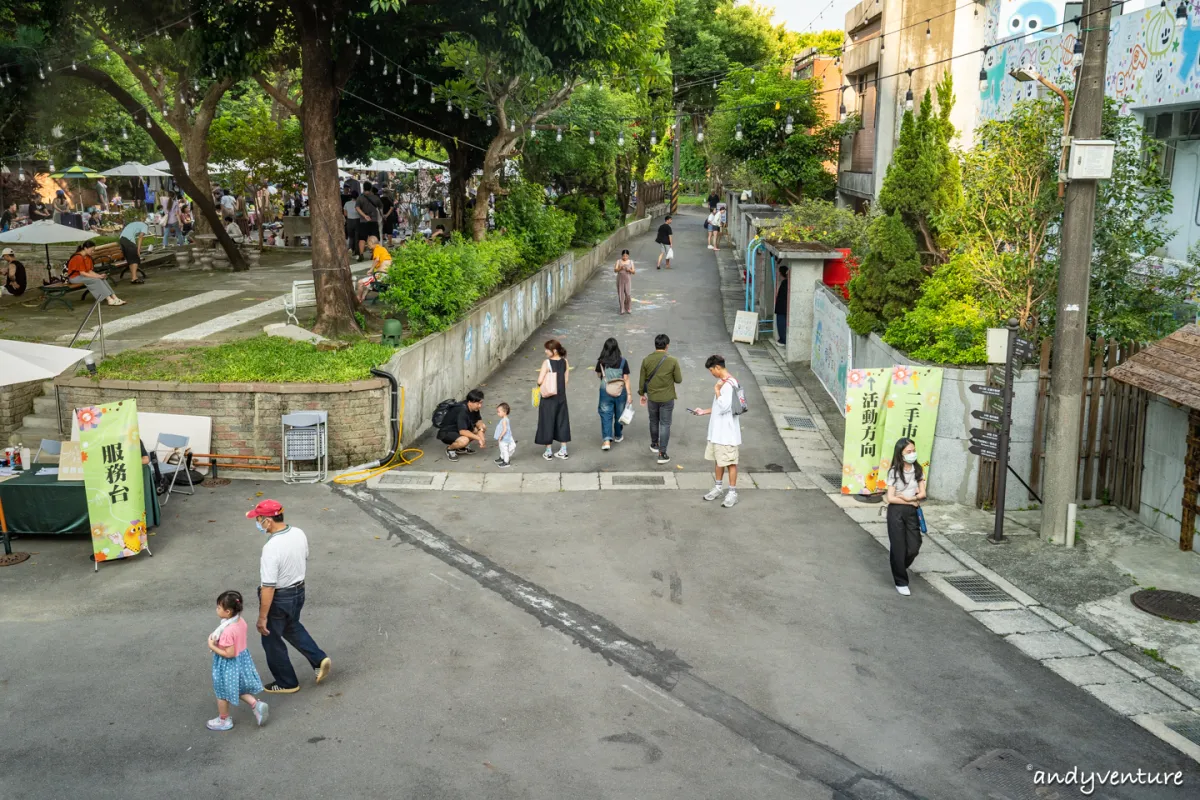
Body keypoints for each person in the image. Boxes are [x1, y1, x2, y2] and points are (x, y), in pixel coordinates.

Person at [247, 499, 332, 694]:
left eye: (259, 519)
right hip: (298, 591)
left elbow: (268, 586)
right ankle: (319, 659)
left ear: (268, 520)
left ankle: (286, 682)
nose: (258, 524)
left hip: (279, 596)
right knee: (291, 625)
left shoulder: (271, 548)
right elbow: (305, 556)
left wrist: (262, 617)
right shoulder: (298, 533)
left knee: (270, 639)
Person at [206, 590, 269, 731]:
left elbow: (229, 653)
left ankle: (224, 720)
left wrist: (212, 645)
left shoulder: (228, 631)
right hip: (241, 661)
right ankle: (256, 705)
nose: (216, 609)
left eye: (218, 607)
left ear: (228, 612)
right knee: (237, 687)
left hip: (228, 665)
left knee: (222, 692)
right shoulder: (240, 622)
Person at [694, 354, 741, 508]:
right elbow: (717, 407)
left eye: (711, 370)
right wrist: (704, 411)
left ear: (718, 367)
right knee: (718, 460)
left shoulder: (728, 384)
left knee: (730, 462)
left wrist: (716, 390)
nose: (711, 373)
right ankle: (718, 487)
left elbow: (724, 407)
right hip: (717, 432)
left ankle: (732, 492)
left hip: (727, 432)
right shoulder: (723, 383)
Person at [885, 438, 926, 597]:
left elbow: (923, 493)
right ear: (900, 454)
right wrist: (910, 499)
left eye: (913, 450)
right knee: (898, 546)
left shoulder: (918, 470)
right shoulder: (894, 472)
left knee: (914, 545)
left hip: (912, 511)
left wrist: (909, 499)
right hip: (896, 511)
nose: (912, 454)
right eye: (909, 451)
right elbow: (891, 498)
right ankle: (901, 581)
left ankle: (899, 565)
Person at [638, 334, 683, 465]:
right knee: (665, 424)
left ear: (655, 345)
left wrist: (642, 394)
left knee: (653, 420)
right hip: (667, 398)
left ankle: (654, 444)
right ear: (667, 346)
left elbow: (642, 380)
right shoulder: (673, 360)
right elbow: (679, 380)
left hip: (652, 397)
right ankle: (662, 454)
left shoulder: (646, 360)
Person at [535, 339, 572, 460]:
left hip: (549, 397)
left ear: (554, 351)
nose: (545, 351)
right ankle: (563, 450)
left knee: (547, 421)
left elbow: (540, 381)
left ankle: (548, 451)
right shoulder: (565, 362)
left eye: (547, 349)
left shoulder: (547, 363)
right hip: (561, 396)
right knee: (562, 421)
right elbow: (566, 380)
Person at [594, 337, 632, 451]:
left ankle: (606, 440)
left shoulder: (601, 362)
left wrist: (605, 378)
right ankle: (618, 435)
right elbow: (626, 379)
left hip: (605, 390)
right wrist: (629, 394)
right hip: (620, 391)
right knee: (619, 414)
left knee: (606, 414)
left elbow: (598, 374)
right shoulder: (623, 361)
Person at [67, 241, 126, 306]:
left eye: (93, 250)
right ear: (85, 248)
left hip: (82, 276)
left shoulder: (87, 257)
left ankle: (115, 297)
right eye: (91, 250)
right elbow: (83, 273)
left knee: (102, 279)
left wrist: (99, 276)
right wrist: (97, 277)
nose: (93, 252)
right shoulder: (78, 257)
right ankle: (109, 300)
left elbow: (89, 271)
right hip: (74, 278)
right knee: (96, 280)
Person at [438, 389, 486, 461]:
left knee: (482, 427)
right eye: (478, 403)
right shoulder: (462, 410)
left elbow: (479, 421)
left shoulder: (474, 408)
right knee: (464, 440)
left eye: (481, 403)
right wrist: (479, 438)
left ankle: (460, 448)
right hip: (447, 432)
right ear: (470, 402)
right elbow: (462, 432)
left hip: (459, 428)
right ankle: (450, 449)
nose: (480, 406)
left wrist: (481, 432)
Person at [356, 235, 392, 302]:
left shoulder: (377, 249)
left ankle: (358, 299)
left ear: (371, 243)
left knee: (360, 282)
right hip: (386, 276)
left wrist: (371, 269)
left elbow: (377, 260)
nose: (368, 247)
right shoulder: (383, 249)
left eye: (369, 245)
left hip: (380, 276)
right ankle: (363, 296)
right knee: (370, 281)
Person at [355, 182, 382, 259]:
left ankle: (361, 254)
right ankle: (373, 254)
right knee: (374, 237)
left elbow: (357, 208)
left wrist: (364, 215)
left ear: (363, 188)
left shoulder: (360, 198)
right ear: (371, 188)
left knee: (362, 238)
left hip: (363, 221)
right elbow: (380, 207)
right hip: (373, 220)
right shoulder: (376, 198)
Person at [118, 219, 148, 284]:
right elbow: (140, 237)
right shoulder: (145, 226)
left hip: (121, 240)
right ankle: (134, 278)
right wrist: (138, 250)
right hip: (128, 240)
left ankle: (133, 277)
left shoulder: (134, 224)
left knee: (130, 260)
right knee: (135, 258)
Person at [494, 402, 515, 468]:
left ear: (505, 412)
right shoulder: (505, 419)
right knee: (502, 448)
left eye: (499, 412)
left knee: (504, 449)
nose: (498, 413)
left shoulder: (504, 420)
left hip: (504, 438)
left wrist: (500, 436)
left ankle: (506, 461)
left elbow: (505, 429)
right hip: (507, 437)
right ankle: (502, 457)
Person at [614, 248, 635, 315]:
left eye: (626, 256)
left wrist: (629, 270)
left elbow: (634, 272)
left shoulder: (631, 262)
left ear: (628, 256)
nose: (625, 257)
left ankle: (628, 307)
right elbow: (615, 270)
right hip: (620, 279)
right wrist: (620, 268)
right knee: (621, 294)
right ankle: (622, 308)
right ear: (621, 255)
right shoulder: (618, 261)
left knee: (628, 294)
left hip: (627, 279)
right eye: (623, 256)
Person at [774, 265, 789, 345]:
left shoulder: (785, 283)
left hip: (781, 308)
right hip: (783, 308)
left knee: (781, 324)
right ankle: (783, 339)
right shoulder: (787, 282)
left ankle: (783, 340)